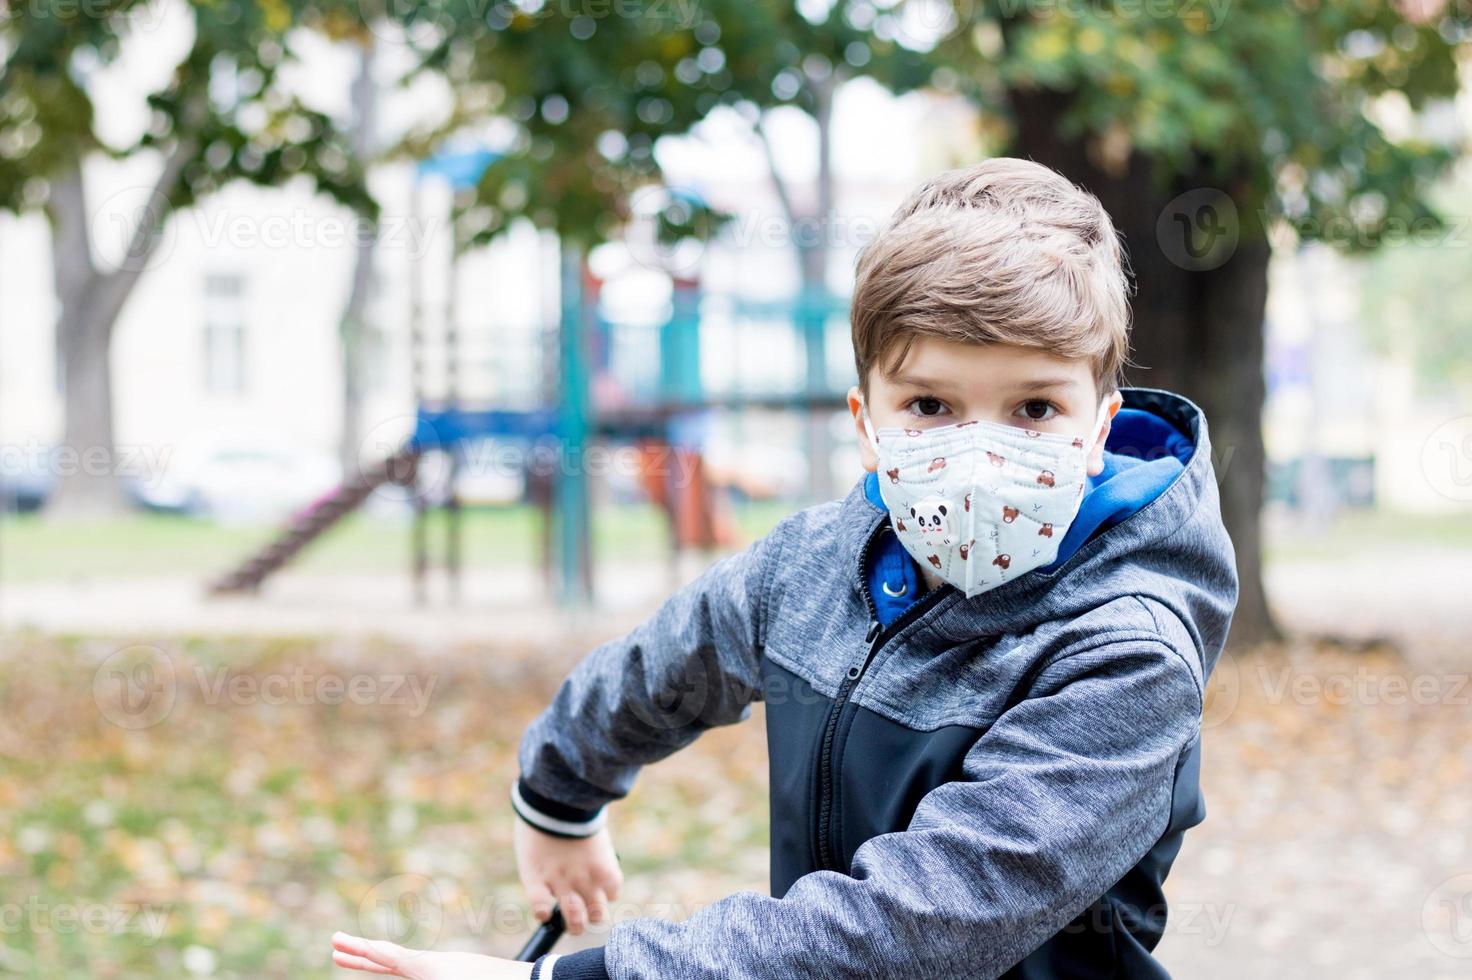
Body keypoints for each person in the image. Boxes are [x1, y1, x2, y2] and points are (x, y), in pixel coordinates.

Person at [332, 157, 1238, 979]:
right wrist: (558, 795)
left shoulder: (1125, 654)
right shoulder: (815, 566)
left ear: (1099, 425)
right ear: (866, 417)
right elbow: (669, 661)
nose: (980, 453)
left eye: (1034, 410)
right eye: (930, 403)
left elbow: (918, 924)